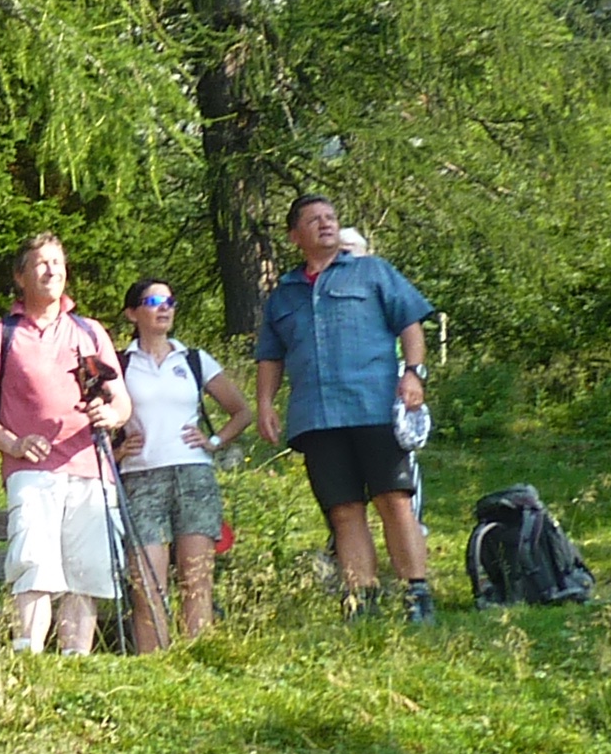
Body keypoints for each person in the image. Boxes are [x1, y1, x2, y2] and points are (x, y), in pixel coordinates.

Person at [252, 195, 440, 622]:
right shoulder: (283, 295)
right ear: (294, 236)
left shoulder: (373, 272)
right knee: (343, 510)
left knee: (394, 500)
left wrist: (414, 374)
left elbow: (410, 324)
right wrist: (264, 403)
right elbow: (270, 356)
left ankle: (416, 595)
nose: (326, 224)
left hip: (375, 407)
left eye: (331, 217)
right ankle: (361, 600)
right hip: (317, 417)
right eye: (314, 220)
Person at [0, 234, 132, 654]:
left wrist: (111, 416)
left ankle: (75, 660)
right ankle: (28, 656)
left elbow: (122, 401)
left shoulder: (90, 332)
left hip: (91, 467)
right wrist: (12, 443)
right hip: (32, 471)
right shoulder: (0, 334)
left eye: (58, 262)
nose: (52, 270)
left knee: (87, 571)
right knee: (33, 563)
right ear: (20, 277)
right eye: (41, 263)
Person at [112, 276, 252, 650]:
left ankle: (198, 659)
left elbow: (241, 411)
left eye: (170, 301)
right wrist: (118, 451)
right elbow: (92, 421)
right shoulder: (120, 363)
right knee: (147, 583)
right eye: (153, 301)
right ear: (132, 313)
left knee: (197, 579)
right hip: (140, 478)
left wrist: (214, 441)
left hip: (194, 476)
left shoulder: (193, 359)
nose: (164, 308)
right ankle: (153, 665)